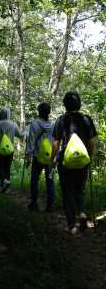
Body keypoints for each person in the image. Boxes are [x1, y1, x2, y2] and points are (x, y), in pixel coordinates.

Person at [51, 91, 98, 236]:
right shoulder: (87, 119)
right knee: (80, 189)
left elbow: (56, 143)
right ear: (79, 103)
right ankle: (82, 213)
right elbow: (92, 142)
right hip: (82, 161)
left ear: (65, 105)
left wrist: (51, 160)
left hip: (65, 162)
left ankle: (71, 225)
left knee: (68, 192)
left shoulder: (61, 120)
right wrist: (89, 157)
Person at [0, 107, 24, 192]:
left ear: (1, 114)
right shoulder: (13, 124)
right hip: (10, 150)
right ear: (8, 114)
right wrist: (26, 132)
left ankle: (4, 181)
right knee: (7, 167)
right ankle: (6, 185)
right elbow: (20, 135)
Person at [26, 102, 55, 212]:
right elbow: (54, 141)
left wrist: (29, 156)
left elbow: (31, 141)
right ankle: (50, 205)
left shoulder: (35, 124)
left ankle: (34, 203)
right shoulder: (53, 124)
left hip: (37, 157)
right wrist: (54, 157)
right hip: (49, 158)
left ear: (39, 111)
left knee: (34, 180)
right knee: (50, 180)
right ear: (49, 112)